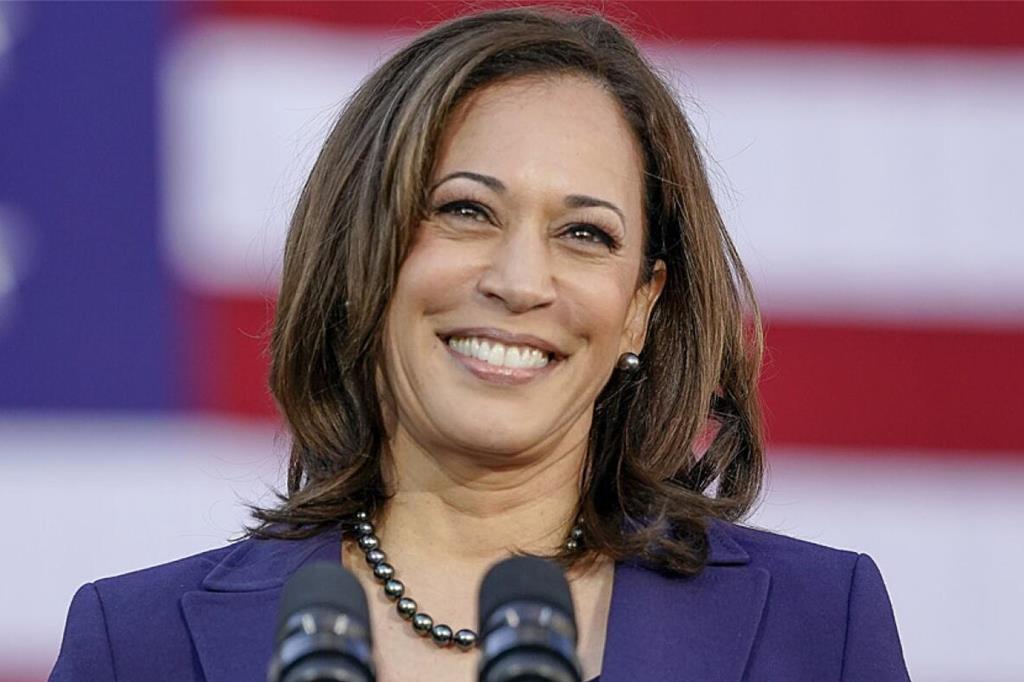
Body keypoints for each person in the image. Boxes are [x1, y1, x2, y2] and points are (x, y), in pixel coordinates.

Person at [50, 6, 909, 681]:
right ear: (362, 256)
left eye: (585, 234)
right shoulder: (138, 646)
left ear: (641, 307)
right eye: (466, 211)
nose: (520, 280)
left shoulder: (817, 626)